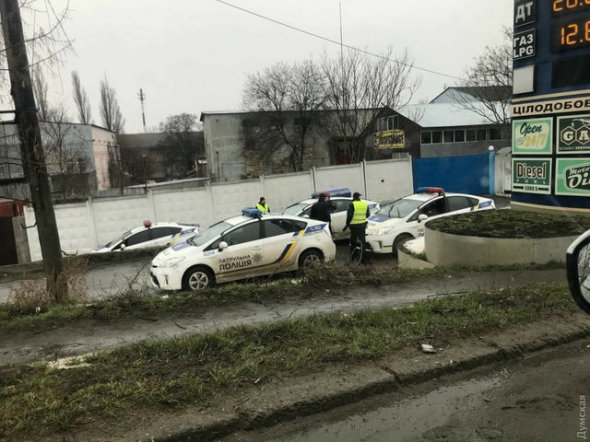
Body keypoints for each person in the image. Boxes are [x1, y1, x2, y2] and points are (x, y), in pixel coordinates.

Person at [343, 191, 370, 256]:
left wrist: (347, 224)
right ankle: (363, 256)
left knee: (353, 241)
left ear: (354, 197)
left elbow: (349, 216)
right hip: (363, 225)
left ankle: (354, 256)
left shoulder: (352, 204)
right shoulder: (364, 204)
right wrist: (362, 218)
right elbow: (368, 214)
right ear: (359, 197)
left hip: (354, 226)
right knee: (362, 241)